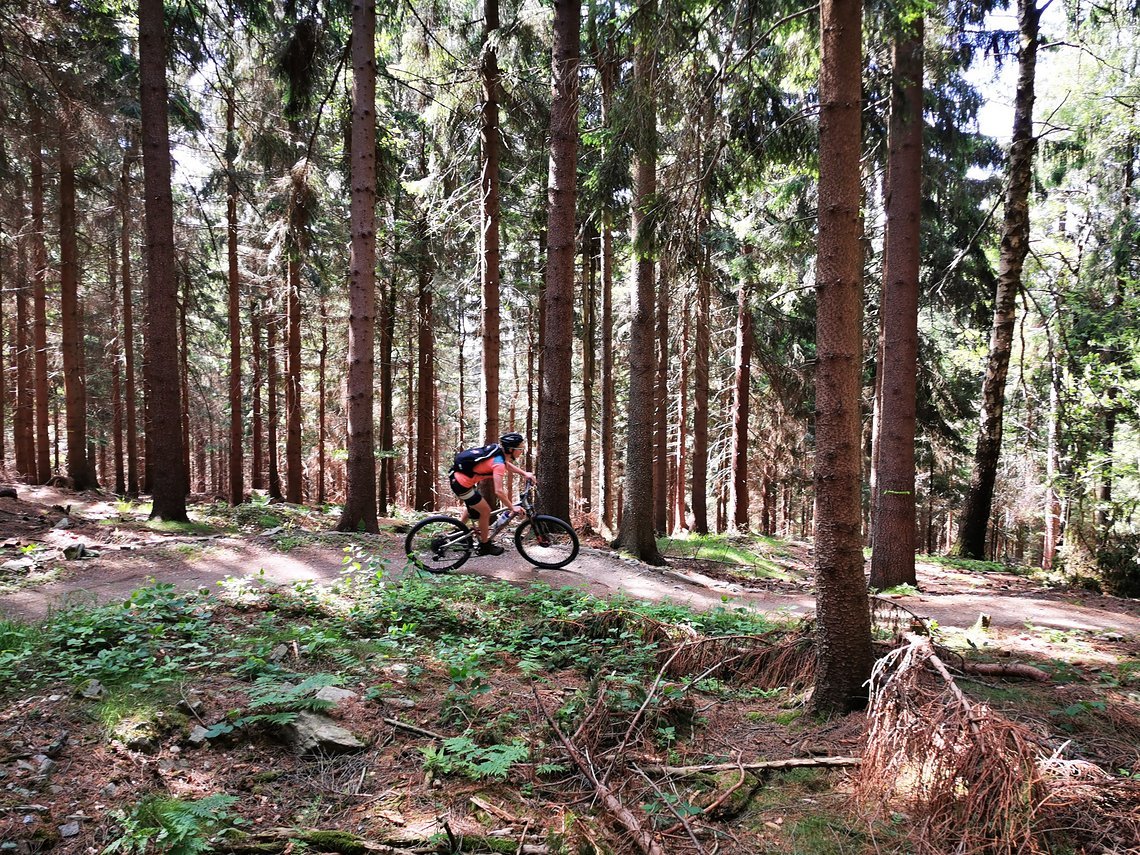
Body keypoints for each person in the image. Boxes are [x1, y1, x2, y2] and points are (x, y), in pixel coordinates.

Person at [449, 432, 535, 556]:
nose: (521, 451)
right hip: (461, 484)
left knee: (474, 505)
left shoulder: (499, 454)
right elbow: (499, 491)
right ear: (511, 450)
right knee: (485, 511)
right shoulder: (498, 463)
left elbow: (507, 465)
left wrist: (525, 474)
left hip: (460, 479)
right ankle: (485, 545)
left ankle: (457, 532)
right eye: (520, 449)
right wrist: (512, 507)